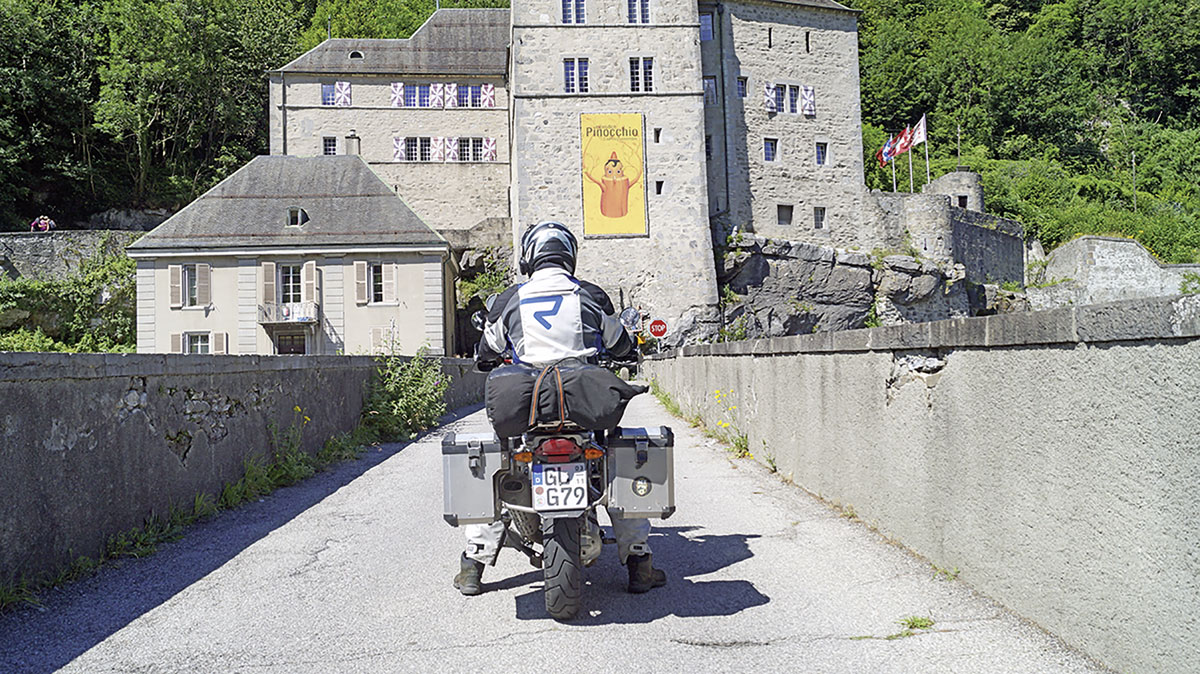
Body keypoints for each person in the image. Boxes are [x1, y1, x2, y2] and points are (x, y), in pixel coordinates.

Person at [454, 220, 667, 596]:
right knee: (616, 459)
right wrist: (623, 352)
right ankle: (639, 561)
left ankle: (474, 563)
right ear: (569, 255)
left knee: (497, 460)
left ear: (529, 258)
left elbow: (488, 348)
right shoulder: (590, 295)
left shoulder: (509, 298)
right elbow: (617, 343)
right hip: (582, 402)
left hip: (526, 403)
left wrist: (491, 357)